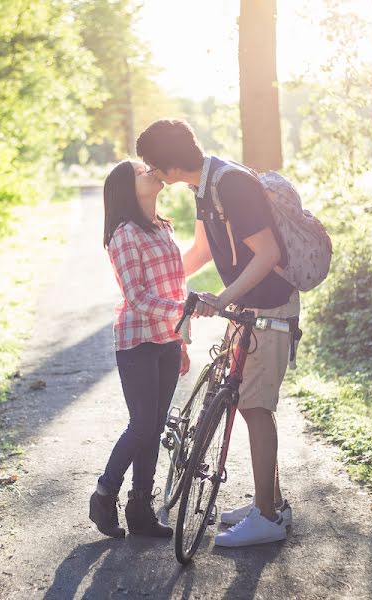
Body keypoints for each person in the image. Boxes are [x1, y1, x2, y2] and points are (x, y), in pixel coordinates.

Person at [136, 118, 297, 547]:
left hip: (271, 306)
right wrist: (158, 285)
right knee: (244, 401)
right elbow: (203, 250)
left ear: (166, 165)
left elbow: (268, 254)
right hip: (247, 306)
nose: (151, 172)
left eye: (152, 164)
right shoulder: (203, 187)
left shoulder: (231, 185)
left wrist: (223, 300)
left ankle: (265, 517)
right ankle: (272, 504)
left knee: (255, 407)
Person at [89, 160, 191, 539]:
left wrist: (180, 337)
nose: (150, 170)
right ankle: (103, 494)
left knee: (155, 426)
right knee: (142, 424)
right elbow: (137, 297)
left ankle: (141, 510)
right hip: (136, 341)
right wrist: (182, 313)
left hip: (166, 339)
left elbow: (175, 288)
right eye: (140, 171)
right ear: (127, 189)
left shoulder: (164, 227)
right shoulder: (123, 234)